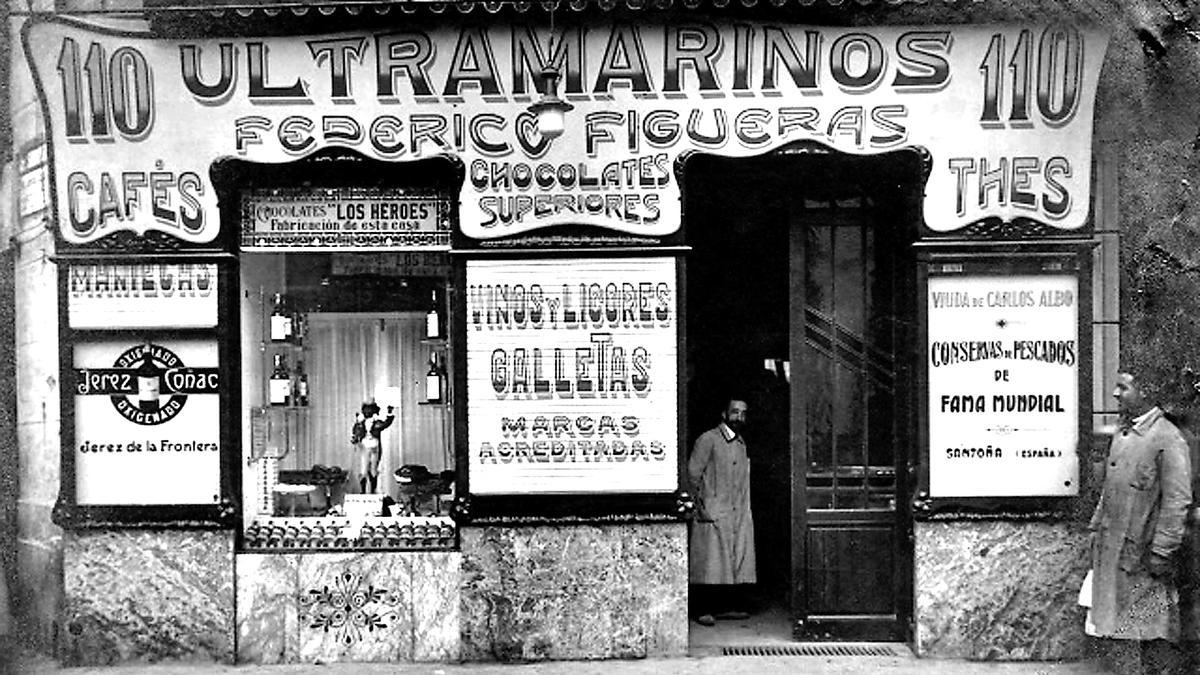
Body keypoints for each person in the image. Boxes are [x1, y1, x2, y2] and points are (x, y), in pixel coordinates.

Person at [1088, 371, 1193, 674]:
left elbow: (1177, 501)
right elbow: (1108, 491)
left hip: (1144, 559)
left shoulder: (1168, 439)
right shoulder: (1125, 435)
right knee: (1117, 633)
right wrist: (1096, 528)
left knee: (1151, 634)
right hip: (1114, 554)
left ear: (1146, 392)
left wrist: (1162, 551)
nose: (1116, 394)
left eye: (1123, 387)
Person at [688, 397, 756, 627]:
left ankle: (725, 607)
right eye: (735, 412)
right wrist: (700, 508)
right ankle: (702, 609)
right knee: (709, 564)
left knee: (731, 562)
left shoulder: (740, 443)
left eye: (743, 413)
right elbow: (692, 476)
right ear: (724, 414)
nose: (740, 418)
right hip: (713, 512)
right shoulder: (708, 439)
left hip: (735, 511)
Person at [350, 401, 394, 494]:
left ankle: (373, 490)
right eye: (366, 411)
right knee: (363, 470)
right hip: (364, 446)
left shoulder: (376, 422)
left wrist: (389, 413)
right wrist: (355, 436)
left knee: (373, 470)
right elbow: (355, 432)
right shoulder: (360, 423)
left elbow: (386, 423)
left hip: (374, 446)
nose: (368, 413)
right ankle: (363, 491)